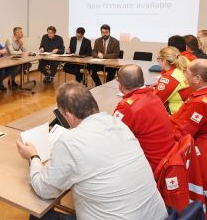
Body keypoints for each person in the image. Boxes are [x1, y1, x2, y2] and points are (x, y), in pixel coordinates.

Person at [16, 81, 167, 220]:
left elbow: (44, 189)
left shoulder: (70, 141)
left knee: (38, 213)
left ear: (68, 115)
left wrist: (33, 156)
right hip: (157, 215)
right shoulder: (119, 125)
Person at [113, 64, 175, 171]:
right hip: (166, 158)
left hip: (149, 165)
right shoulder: (153, 95)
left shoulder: (127, 107)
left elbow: (111, 137)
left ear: (120, 84)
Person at [170, 59, 207, 184]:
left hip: (198, 153)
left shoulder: (200, 102)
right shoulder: (199, 94)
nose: (185, 75)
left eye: (187, 72)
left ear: (198, 78)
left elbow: (182, 133)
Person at [154, 46, 192, 114]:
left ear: (164, 61)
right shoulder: (183, 67)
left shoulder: (170, 77)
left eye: (158, 60)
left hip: (174, 114)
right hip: (186, 110)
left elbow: (156, 100)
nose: (158, 63)